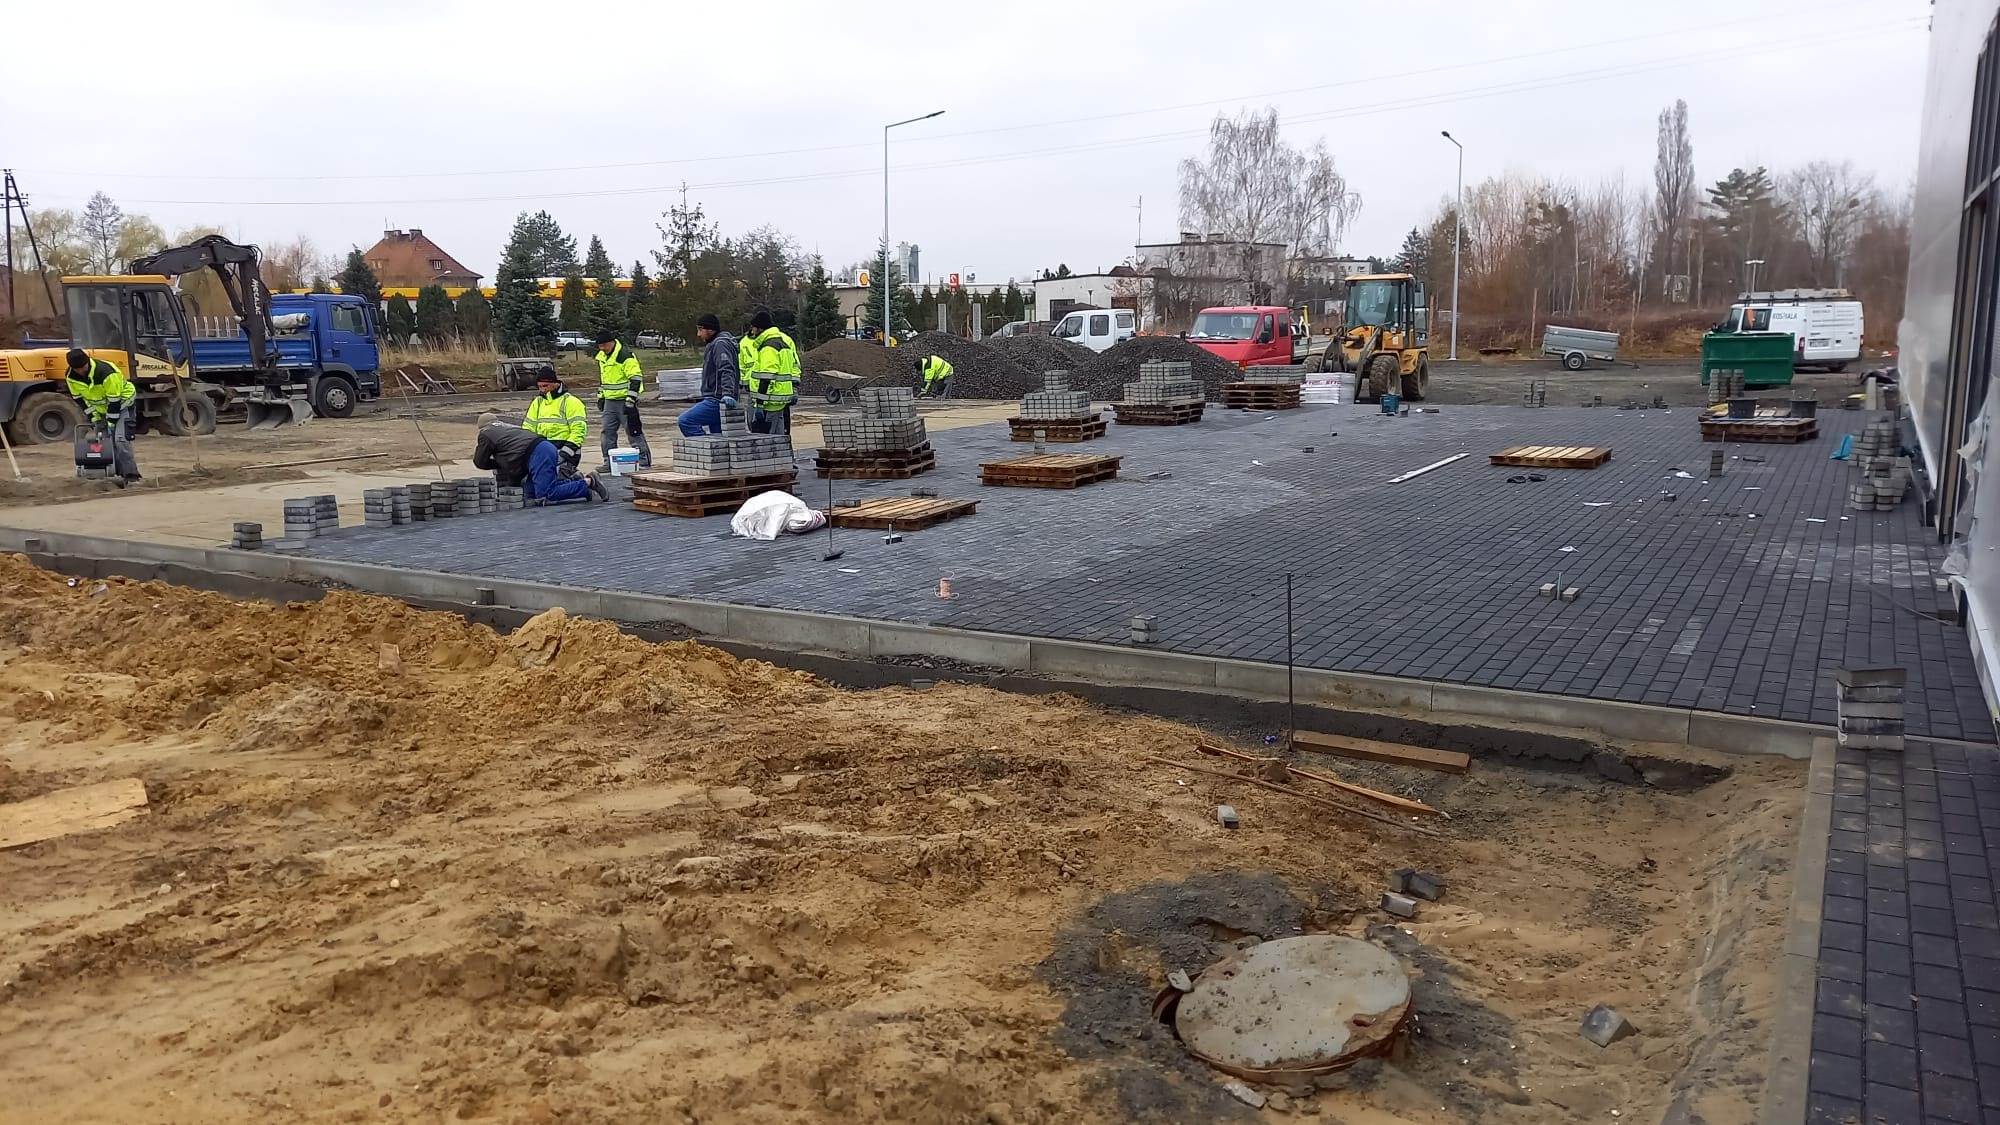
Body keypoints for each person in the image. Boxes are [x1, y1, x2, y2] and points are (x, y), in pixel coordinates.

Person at [473, 412, 605, 503]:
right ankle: (576, 482)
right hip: (544, 448)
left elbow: (479, 461)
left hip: (539, 453)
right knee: (531, 493)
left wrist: (497, 464)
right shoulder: (509, 428)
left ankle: (589, 482)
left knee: (546, 494)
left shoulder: (486, 433)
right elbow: (516, 457)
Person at [65, 348, 139, 481]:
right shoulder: (71, 377)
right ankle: (112, 473)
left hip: (122, 404)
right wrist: (94, 418)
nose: (81, 371)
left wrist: (111, 422)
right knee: (105, 443)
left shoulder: (106, 372)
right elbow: (80, 400)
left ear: (88, 361)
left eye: (83, 367)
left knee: (120, 440)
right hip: (102, 409)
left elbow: (114, 401)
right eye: (77, 369)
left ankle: (132, 475)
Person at [593, 330, 652, 471]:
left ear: (612, 342)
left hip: (625, 401)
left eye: (604, 345)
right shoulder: (602, 357)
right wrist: (601, 396)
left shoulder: (625, 357)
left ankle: (643, 460)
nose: (602, 348)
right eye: (600, 346)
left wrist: (630, 400)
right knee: (607, 432)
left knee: (633, 431)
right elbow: (604, 380)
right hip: (610, 401)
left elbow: (636, 378)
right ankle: (609, 462)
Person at [741, 307, 800, 434]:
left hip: (769, 400)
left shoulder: (769, 347)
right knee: (779, 435)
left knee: (766, 438)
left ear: (760, 328)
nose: (752, 331)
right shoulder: (781, 342)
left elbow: (767, 376)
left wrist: (760, 404)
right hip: (778, 399)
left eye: (753, 327)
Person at [680, 313, 740, 437]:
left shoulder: (720, 344)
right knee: (720, 438)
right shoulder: (716, 344)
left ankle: (705, 452)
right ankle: (715, 455)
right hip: (717, 397)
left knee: (686, 421)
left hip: (717, 399)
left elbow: (727, 369)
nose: (698, 334)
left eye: (700, 330)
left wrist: (728, 393)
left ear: (711, 330)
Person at [523, 369, 588, 470]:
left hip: (566, 450)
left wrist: (565, 453)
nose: (542, 390)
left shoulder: (571, 402)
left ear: (556, 384)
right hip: (543, 450)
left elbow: (578, 431)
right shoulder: (537, 402)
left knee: (556, 479)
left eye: (545, 386)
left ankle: (586, 481)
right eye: (539, 386)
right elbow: (528, 429)